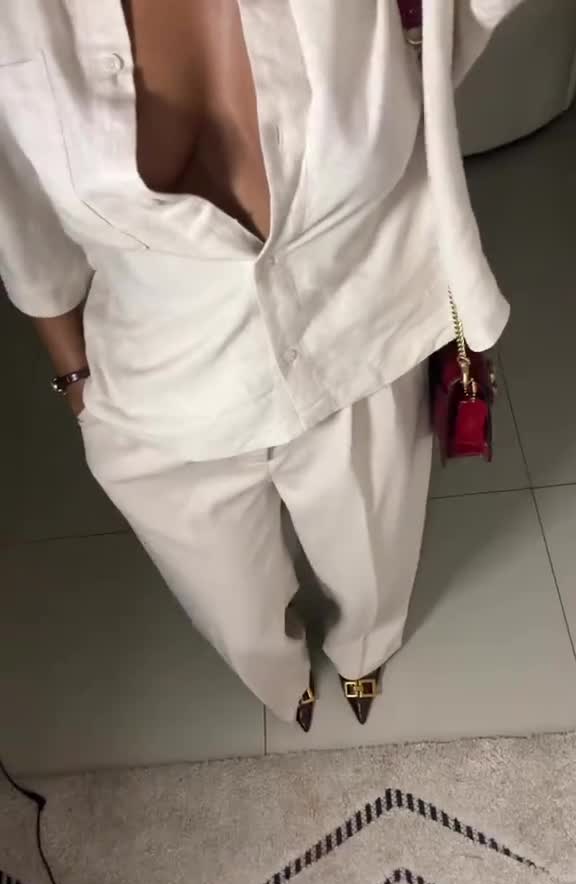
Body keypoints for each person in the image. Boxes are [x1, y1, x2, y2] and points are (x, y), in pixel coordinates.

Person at [0, 1, 523, 732]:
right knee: (233, 607)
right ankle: (281, 682)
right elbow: (20, 220)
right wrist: (75, 383)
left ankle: (365, 652)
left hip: (358, 348)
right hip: (157, 387)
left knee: (375, 560)